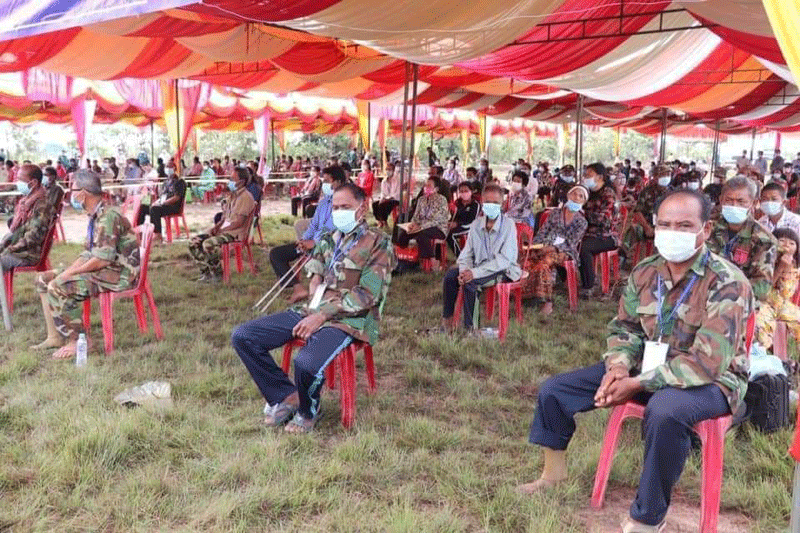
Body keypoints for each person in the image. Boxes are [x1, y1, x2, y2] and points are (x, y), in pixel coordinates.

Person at [520, 189, 753, 533]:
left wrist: (636, 383)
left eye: (685, 225)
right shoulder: (645, 272)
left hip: (713, 380)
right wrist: (617, 367)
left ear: (705, 229)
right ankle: (552, 475)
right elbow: (625, 327)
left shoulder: (727, 281)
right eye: (665, 224)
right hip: (647, 366)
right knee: (555, 389)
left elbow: (708, 361)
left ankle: (647, 517)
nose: (673, 232)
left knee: (665, 411)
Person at [232, 183, 396, 433]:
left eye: (345, 207)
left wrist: (321, 315)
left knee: (306, 362)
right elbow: (316, 270)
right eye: (335, 207)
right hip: (314, 309)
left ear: (362, 208)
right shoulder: (330, 238)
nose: (339, 212)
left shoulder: (378, 243)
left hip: (352, 319)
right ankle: (287, 396)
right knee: (244, 336)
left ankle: (309, 411)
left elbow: (367, 294)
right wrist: (314, 288)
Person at [33, 170, 140, 357]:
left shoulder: (108, 217)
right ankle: (55, 336)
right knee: (43, 279)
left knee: (58, 286)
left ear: (83, 193)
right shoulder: (97, 214)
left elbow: (102, 259)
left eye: (73, 189)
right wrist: (69, 270)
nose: (70, 194)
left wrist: (70, 274)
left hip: (118, 274)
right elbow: (88, 254)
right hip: (106, 268)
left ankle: (79, 341)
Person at [440, 184, 520, 332]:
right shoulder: (476, 225)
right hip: (478, 267)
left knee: (471, 283)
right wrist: (464, 271)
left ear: (502, 204)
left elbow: (504, 260)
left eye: (495, 203)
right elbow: (467, 253)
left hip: (503, 270)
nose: (491, 206)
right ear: (482, 202)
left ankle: (471, 329)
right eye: (488, 202)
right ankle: (448, 320)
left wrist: (473, 273)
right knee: (451, 276)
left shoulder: (508, 226)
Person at [269, 167, 347, 302]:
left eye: (327, 181)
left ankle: (313, 290)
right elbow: (314, 225)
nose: (324, 184)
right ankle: (297, 287)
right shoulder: (324, 202)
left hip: (329, 247)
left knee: (316, 264)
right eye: (324, 181)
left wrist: (314, 242)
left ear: (338, 182)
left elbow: (331, 230)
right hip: (312, 244)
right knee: (276, 254)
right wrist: (303, 240)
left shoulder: (344, 204)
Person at [706, 176, 777, 302]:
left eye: (741, 202)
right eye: (729, 200)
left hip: (737, 302)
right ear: (721, 200)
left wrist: (726, 293)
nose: (734, 205)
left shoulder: (764, 239)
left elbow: (762, 286)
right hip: (699, 293)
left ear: (754, 203)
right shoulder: (706, 226)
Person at [524, 185, 588, 314]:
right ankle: (529, 295)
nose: (576, 197)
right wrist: (536, 245)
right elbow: (543, 232)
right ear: (568, 195)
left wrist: (552, 248)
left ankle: (547, 301)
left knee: (546, 261)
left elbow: (571, 243)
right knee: (527, 258)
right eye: (574, 194)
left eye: (581, 196)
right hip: (545, 245)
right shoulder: (555, 213)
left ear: (584, 201)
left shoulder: (582, 222)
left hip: (565, 251)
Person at [188, 167, 256, 282]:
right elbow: (224, 217)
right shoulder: (232, 196)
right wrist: (215, 228)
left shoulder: (245, 197)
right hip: (225, 231)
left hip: (234, 234)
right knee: (193, 242)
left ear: (242, 182)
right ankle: (206, 272)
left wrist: (222, 231)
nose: (230, 181)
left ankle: (218, 274)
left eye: (233, 179)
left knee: (208, 244)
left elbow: (239, 223)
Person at [755, 228, 800, 351]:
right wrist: (780, 268)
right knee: (760, 324)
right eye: (782, 241)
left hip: (782, 305)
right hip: (765, 303)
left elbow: (786, 293)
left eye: (792, 243)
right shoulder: (765, 260)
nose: (787, 245)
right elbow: (764, 290)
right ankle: (760, 354)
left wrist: (787, 270)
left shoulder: (795, 268)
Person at [579, 163, 619, 297]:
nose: (585, 177)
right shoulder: (589, 193)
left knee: (583, 248)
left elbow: (605, 220)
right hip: (589, 234)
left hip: (606, 236)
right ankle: (568, 278)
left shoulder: (608, 194)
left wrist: (583, 214)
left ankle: (589, 285)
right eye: (585, 174)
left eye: (589, 175)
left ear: (600, 177)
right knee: (569, 243)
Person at [0, 165, 49, 274]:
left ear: (34, 183)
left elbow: (32, 237)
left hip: (27, 254)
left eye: (20, 180)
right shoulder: (29, 201)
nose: (17, 183)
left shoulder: (42, 206)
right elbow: (20, 230)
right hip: (21, 250)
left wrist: (10, 248)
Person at [394, 176, 450, 269]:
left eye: (429, 186)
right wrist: (413, 224)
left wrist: (421, 227)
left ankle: (432, 260)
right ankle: (402, 258)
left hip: (438, 228)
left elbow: (437, 220)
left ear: (436, 189)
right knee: (404, 233)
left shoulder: (442, 200)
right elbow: (416, 216)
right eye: (425, 185)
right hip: (420, 227)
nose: (426, 187)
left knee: (422, 234)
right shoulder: (421, 199)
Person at [622, 164, 670, 263]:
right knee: (634, 230)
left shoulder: (673, 193)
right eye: (662, 175)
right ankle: (626, 257)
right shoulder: (647, 191)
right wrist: (647, 227)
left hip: (667, 227)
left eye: (668, 175)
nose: (666, 177)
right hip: (648, 225)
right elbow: (637, 211)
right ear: (655, 177)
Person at [136, 161, 186, 244]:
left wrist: (164, 203)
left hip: (173, 207)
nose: (168, 169)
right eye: (166, 167)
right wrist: (157, 202)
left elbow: (176, 197)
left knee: (154, 209)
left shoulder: (180, 182)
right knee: (143, 207)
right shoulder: (166, 182)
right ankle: (139, 231)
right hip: (163, 204)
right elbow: (162, 196)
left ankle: (158, 234)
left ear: (174, 168)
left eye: (170, 167)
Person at [446, 182, 479, 254]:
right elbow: (454, 216)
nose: (464, 193)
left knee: (450, 235)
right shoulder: (457, 203)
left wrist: (457, 224)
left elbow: (471, 220)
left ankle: (459, 255)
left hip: (468, 226)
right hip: (457, 225)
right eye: (461, 191)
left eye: (466, 191)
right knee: (442, 232)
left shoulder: (475, 205)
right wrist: (450, 221)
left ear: (471, 191)